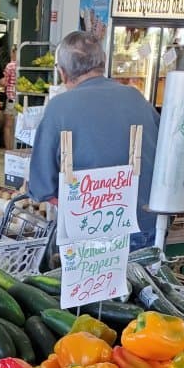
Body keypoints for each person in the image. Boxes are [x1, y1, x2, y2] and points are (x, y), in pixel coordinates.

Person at [29, 31, 160, 250]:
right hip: (145, 226)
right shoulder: (136, 97)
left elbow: (43, 186)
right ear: (102, 63)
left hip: (89, 231)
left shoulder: (59, 107)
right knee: (142, 284)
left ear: (63, 73)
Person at [2, 45, 18, 151]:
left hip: (11, 98)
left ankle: (9, 150)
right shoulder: (23, 65)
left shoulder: (10, 66)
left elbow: (4, 82)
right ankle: (16, 148)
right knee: (17, 126)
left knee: (8, 126)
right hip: (21, 99)